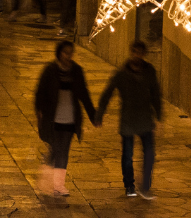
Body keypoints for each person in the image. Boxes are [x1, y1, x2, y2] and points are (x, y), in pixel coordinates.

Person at [96, 40, 162, 199]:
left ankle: (145, 186)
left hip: (145, 118)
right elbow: (108, 93)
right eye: (135, 52)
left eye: (140, 52)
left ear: (144, 54)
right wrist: (100, 113)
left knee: (150, 154)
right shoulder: (121, 74)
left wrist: (159, 113)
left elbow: (155, 93)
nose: (137, 55)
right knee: (127, 155)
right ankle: (129, 185)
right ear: (131, 52)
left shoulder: (149, 71)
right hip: (128, 119)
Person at [34, 41, 97, 197]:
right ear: (59, 53)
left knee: (64, 152)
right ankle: (46, 180)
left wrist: (93, 116)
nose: (68, 56)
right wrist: (39, 113)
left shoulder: (76, 71)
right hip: (53, 118)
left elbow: (84, 94)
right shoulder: (50, 71)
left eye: (70, 53)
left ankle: (58, 185)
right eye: (65, 52)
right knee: (56, 149)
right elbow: (40, 93)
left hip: (70, 119)